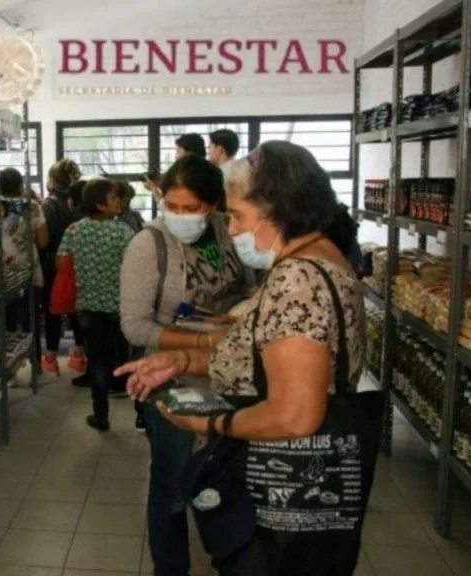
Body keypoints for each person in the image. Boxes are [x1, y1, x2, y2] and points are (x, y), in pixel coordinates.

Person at [116, 141, 366, 575]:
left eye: (237, 216)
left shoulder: (297, 280)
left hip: (284, 479)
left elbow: (294, 416)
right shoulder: (321, 258)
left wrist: (212, 424)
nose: (230, 230)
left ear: (279, 211)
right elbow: (261, 355)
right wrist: (183, 362)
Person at [118, 154, 255, 576]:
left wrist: (238, 323)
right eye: (171, 205)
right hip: (173, 379)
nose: (180, 216)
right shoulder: (149, 244)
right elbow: (135, 326)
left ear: (212, 205)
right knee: (172, 483)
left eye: (191, 207)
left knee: (226, 474)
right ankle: (171, 567)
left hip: (231, 375)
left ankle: (230, 556)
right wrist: (205, 341)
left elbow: (249, 289)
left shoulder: (229, 231)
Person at [57, 179, 134, 431]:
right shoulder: (123, 231)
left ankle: (101, 416)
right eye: (113, 197)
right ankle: (141, 414)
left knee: (98, 361)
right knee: (127, 358)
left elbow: (61, 263)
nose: (118, 201)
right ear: (100, 204)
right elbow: (135, 266)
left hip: (88, 306)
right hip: (120, 307)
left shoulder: (74, 230)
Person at [39, 159, 86, 377]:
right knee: (77, 310)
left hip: (54, 266)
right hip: (79, 264)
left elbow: (44, 239)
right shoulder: (79, 201)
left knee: (53, 311)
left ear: (52, 180)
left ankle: (50, 359)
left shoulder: (50, 204)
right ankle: (79, 356)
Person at [0, 167, 49, 338]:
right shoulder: (32, 207)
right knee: (31, 318)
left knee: (7, 321)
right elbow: (43, 242)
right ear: (20, 186)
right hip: (28, 267)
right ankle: (33, 352)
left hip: (2, 270)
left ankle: (8, 351)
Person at [144, 133, 208, 200]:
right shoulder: (207, 172)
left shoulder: (191, 178)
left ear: (190, 153)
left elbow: (167, 206)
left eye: (178, 151)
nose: (176, 157)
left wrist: (154, 189)